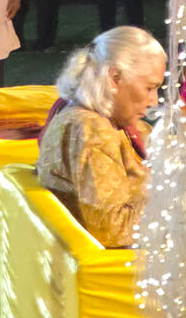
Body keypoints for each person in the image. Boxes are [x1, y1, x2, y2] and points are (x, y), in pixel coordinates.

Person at [36, 26, 166, 247]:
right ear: (115, 78)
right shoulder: (90, 129)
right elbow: (112, 229)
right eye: (149, 88)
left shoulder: (83, 113)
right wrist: (180, 201)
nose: (154, 101)